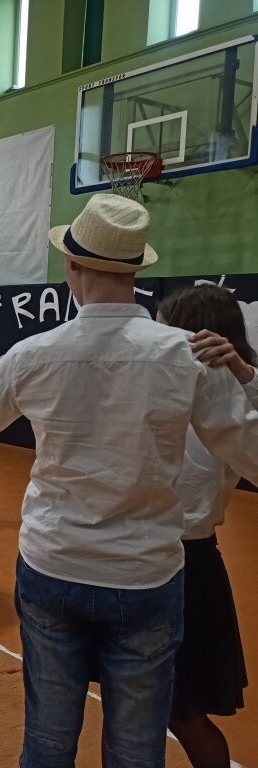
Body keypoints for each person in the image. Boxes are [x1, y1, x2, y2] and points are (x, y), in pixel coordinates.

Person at [0, 194, 258, 766]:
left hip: (54, 561)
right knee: (137, 747)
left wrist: (9, 378)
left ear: (72, 266)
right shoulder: (190, 357)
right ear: (136, 269)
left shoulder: (33, 353)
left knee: (47, 737)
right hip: (146, 572)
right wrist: (244, 376)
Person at [158, 284, 256, 768]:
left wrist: (245, 374)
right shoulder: (160, 386)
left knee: (183, 711)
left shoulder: (231, 398)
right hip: (143, 557)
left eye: (165, 330)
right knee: (146, 702)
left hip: (187, 565)